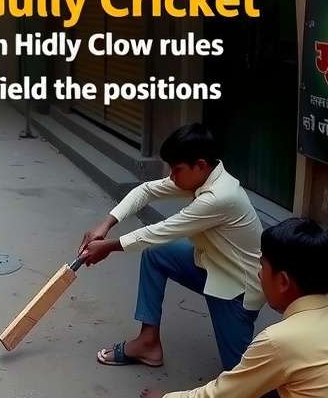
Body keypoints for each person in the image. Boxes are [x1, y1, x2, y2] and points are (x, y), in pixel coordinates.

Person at [78, 123, 263, 371]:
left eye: (177, 170)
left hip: (236, 289)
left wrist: (108, 247)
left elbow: (160, 231)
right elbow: (146, 190)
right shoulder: (203, 176)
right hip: (209, 265)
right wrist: (105, 224)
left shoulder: (220, 196)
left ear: (200, 165)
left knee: (242, 379)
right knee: (157, 255)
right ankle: (148, 342)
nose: (172, 178)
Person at [142, 218, 328, 397]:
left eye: (263, 266)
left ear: (283, 281)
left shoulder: (279, 340)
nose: (259, 273)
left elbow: (221, 394)